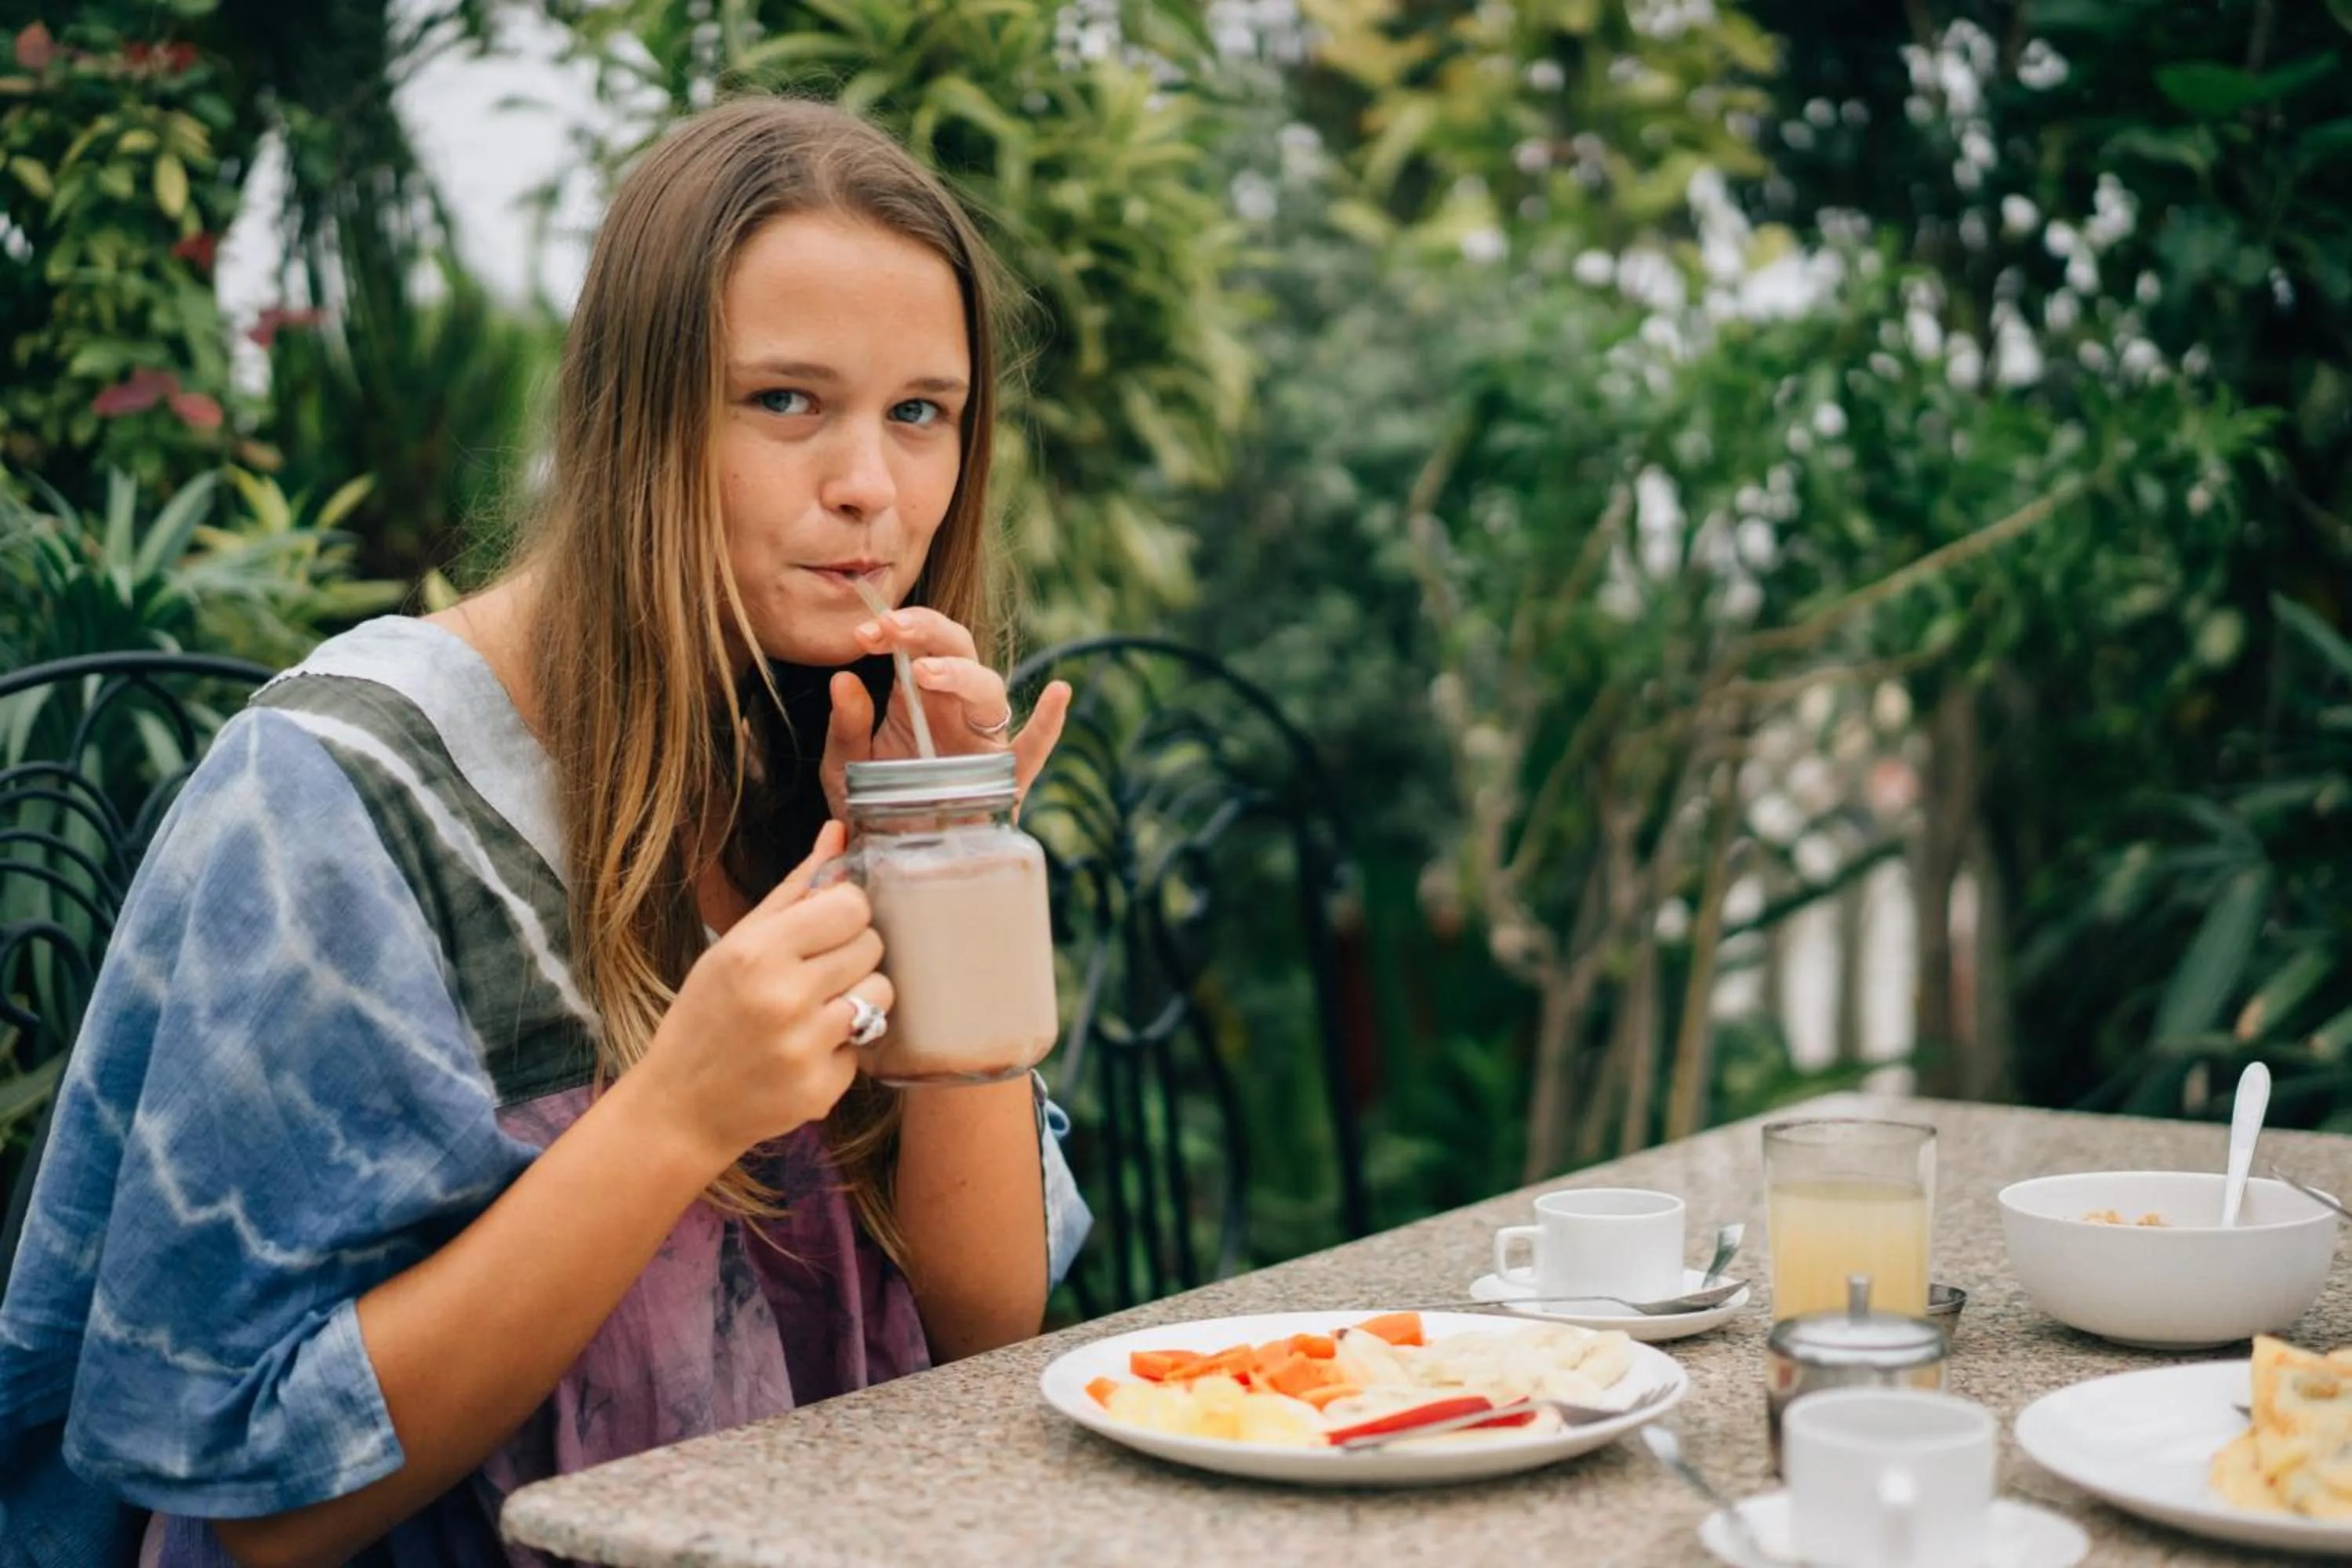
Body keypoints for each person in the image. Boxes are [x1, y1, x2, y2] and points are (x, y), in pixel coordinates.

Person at [0, 95, 1091, 1568]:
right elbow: (264, 1504)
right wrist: (673, 1117)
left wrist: (946, 852)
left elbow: (985, 1318)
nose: (871, 488)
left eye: (921, 412)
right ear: (635, 417)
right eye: (785, 401)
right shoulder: (343, 797)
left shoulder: (834, 738)